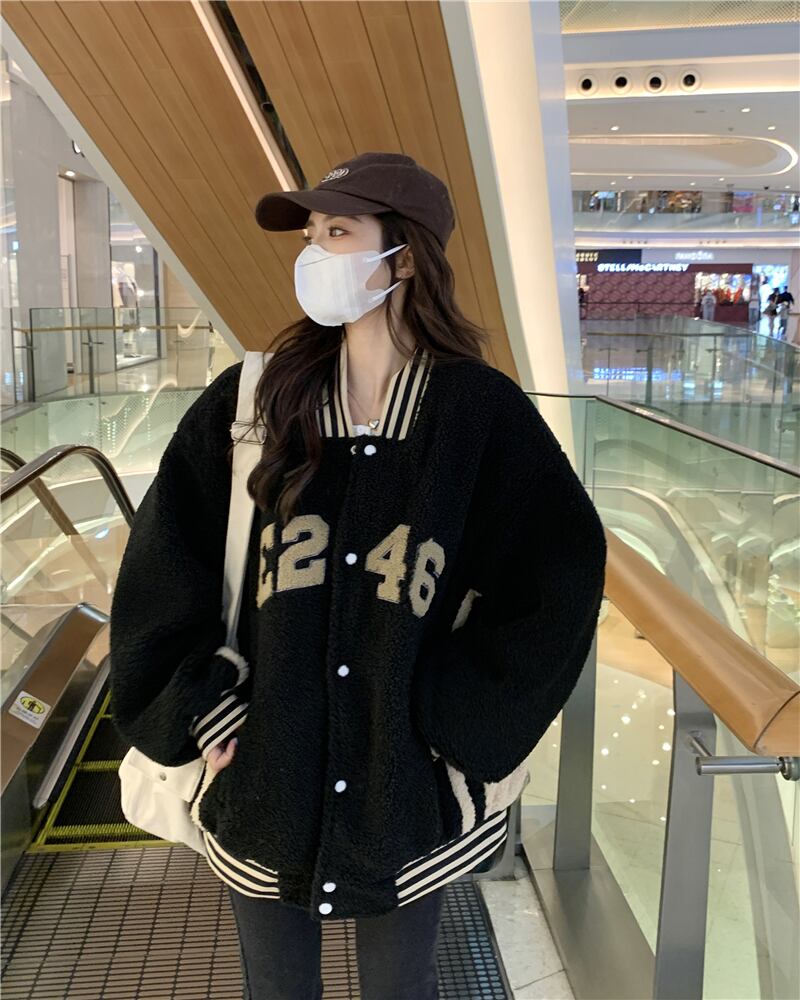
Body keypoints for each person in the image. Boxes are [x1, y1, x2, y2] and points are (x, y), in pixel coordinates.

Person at [108, 152, 607, 1000]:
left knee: (402, 989)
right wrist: (198, 707)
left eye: (337, 231)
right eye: (311, 234)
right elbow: (162, 565)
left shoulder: (478, 416)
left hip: (409, 790)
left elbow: (556, 578)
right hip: (261, 773)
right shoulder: (254, 402)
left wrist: (456, 728)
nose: (314, 253)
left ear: (405, 258)